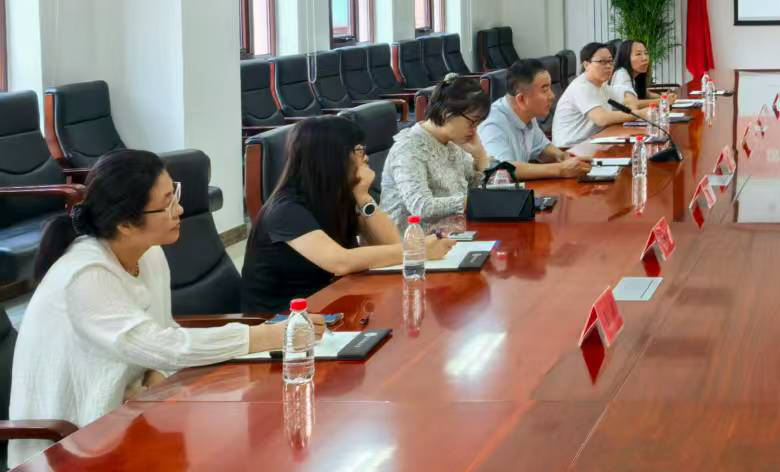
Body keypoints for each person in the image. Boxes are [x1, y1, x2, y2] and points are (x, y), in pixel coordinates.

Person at [8, 150, 318, 467]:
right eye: (167, 203)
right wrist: (268, 336)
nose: (180, 209)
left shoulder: (149, 254)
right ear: (126, 223)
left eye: (176, 194)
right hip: (69, 445)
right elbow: (166, 345)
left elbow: (163, 334)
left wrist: (156, 374)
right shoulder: (85, 276)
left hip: (129, 416)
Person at [242, 116, 455, 314]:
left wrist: (363, 196)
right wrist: (417, 250)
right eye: (359, 151)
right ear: (332, 157)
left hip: (332, 301)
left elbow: (390, 242)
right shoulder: (285, 209)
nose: (366, 158)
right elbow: (340, 262)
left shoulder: (340, 193)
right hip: (284, 320)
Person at [382, 75, 492, 230]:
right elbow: (421, 206)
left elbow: (476, 187)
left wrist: (480, 155)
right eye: (472, 122)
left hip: (452, 232)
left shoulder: (452, 142)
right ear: (447, 113)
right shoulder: (409, 148)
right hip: (415, 239)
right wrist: (472, 201)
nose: (474, 130)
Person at [478, 58, 591, 180]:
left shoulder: (527, 113)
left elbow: (541, 148)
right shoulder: (492, 124)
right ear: (521, 99)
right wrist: (561, 169)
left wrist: (562, 156)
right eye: (545, 90)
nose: (552, 95)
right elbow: (501, 170)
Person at [552, 41, 637, 148]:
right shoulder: (581, 87)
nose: (608, 66)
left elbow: (625, 99)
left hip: (593, 141)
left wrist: (634, 108)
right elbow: (602, 119)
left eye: (610, 61)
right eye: (602, 62)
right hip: (570, 149)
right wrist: (639, 114)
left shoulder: (601, 85)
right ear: (586, 65)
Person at [609, 39, 661, 108]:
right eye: (638, 54)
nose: (645, 58)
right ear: (626, 57)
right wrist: (662, 101)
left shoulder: (634, 76)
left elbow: (647, 93)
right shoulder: (621, 74)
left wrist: (664, 96)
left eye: (646, 53)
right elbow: (632, 104)